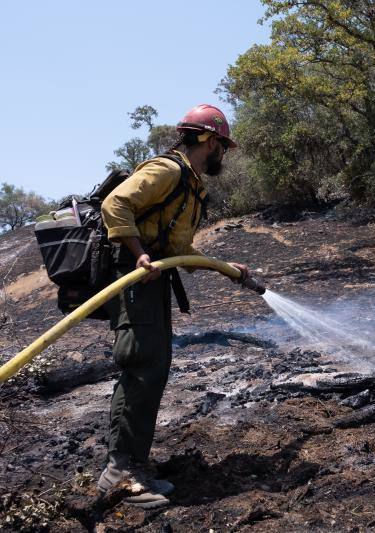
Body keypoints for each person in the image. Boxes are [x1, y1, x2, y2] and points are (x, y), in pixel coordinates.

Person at [96, 104, 248, 508]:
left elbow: (178, 249)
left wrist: (224, 267)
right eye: (224, 147)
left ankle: (132, 462)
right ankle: (122, 473)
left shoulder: (191, 182)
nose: (224, 155)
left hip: (151, 276)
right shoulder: (168, 170)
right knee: (144, 362)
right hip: (133, 274)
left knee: (155, 362)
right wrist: (139, 253)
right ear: (210, 141)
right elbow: (115, 204)